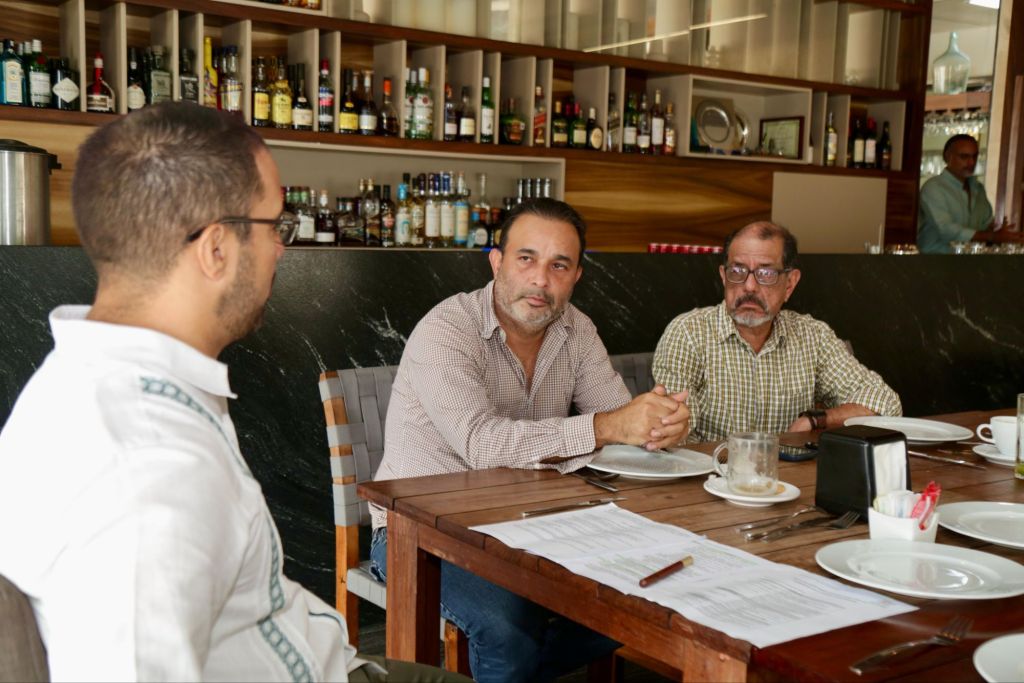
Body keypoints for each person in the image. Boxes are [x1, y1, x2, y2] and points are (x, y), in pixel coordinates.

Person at [0, 103, 467, 683]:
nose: (282, 248)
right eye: (275, 226)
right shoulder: (148, 462)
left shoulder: (93, 380)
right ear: (216, 249)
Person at [368, 197, 691, 683]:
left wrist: (659, 425)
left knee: (645, 595)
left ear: (576, 276)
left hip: (530, 522)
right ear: (496, 262)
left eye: (558, 265)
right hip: (419, 532)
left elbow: (622, 419)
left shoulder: (577, 330)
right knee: (510, 629)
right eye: (526, 258)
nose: (541, 279)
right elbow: (481, 443)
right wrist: (609, 426)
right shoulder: (447, 330)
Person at [652, 221, 901, 442]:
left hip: (791, 476)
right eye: (737, 271)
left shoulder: (812, 336)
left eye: (766, 273)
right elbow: (670, 427)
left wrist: (817, 420)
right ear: (724, 277)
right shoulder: (688, 333)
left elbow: (886, 402)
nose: (749, 286)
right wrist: (670, 426)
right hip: (712, 474)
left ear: (790, 284)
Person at [917, 134, 1023, 254]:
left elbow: (985, 225)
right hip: (934, 260)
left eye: (975, 156)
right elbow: (947, 230)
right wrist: (992, 236)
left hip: (969, 261)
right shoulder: (934, 188)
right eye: (964, 157)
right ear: (947, 157)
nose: (971, 162)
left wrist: (1000, 234)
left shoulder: (978, 188)